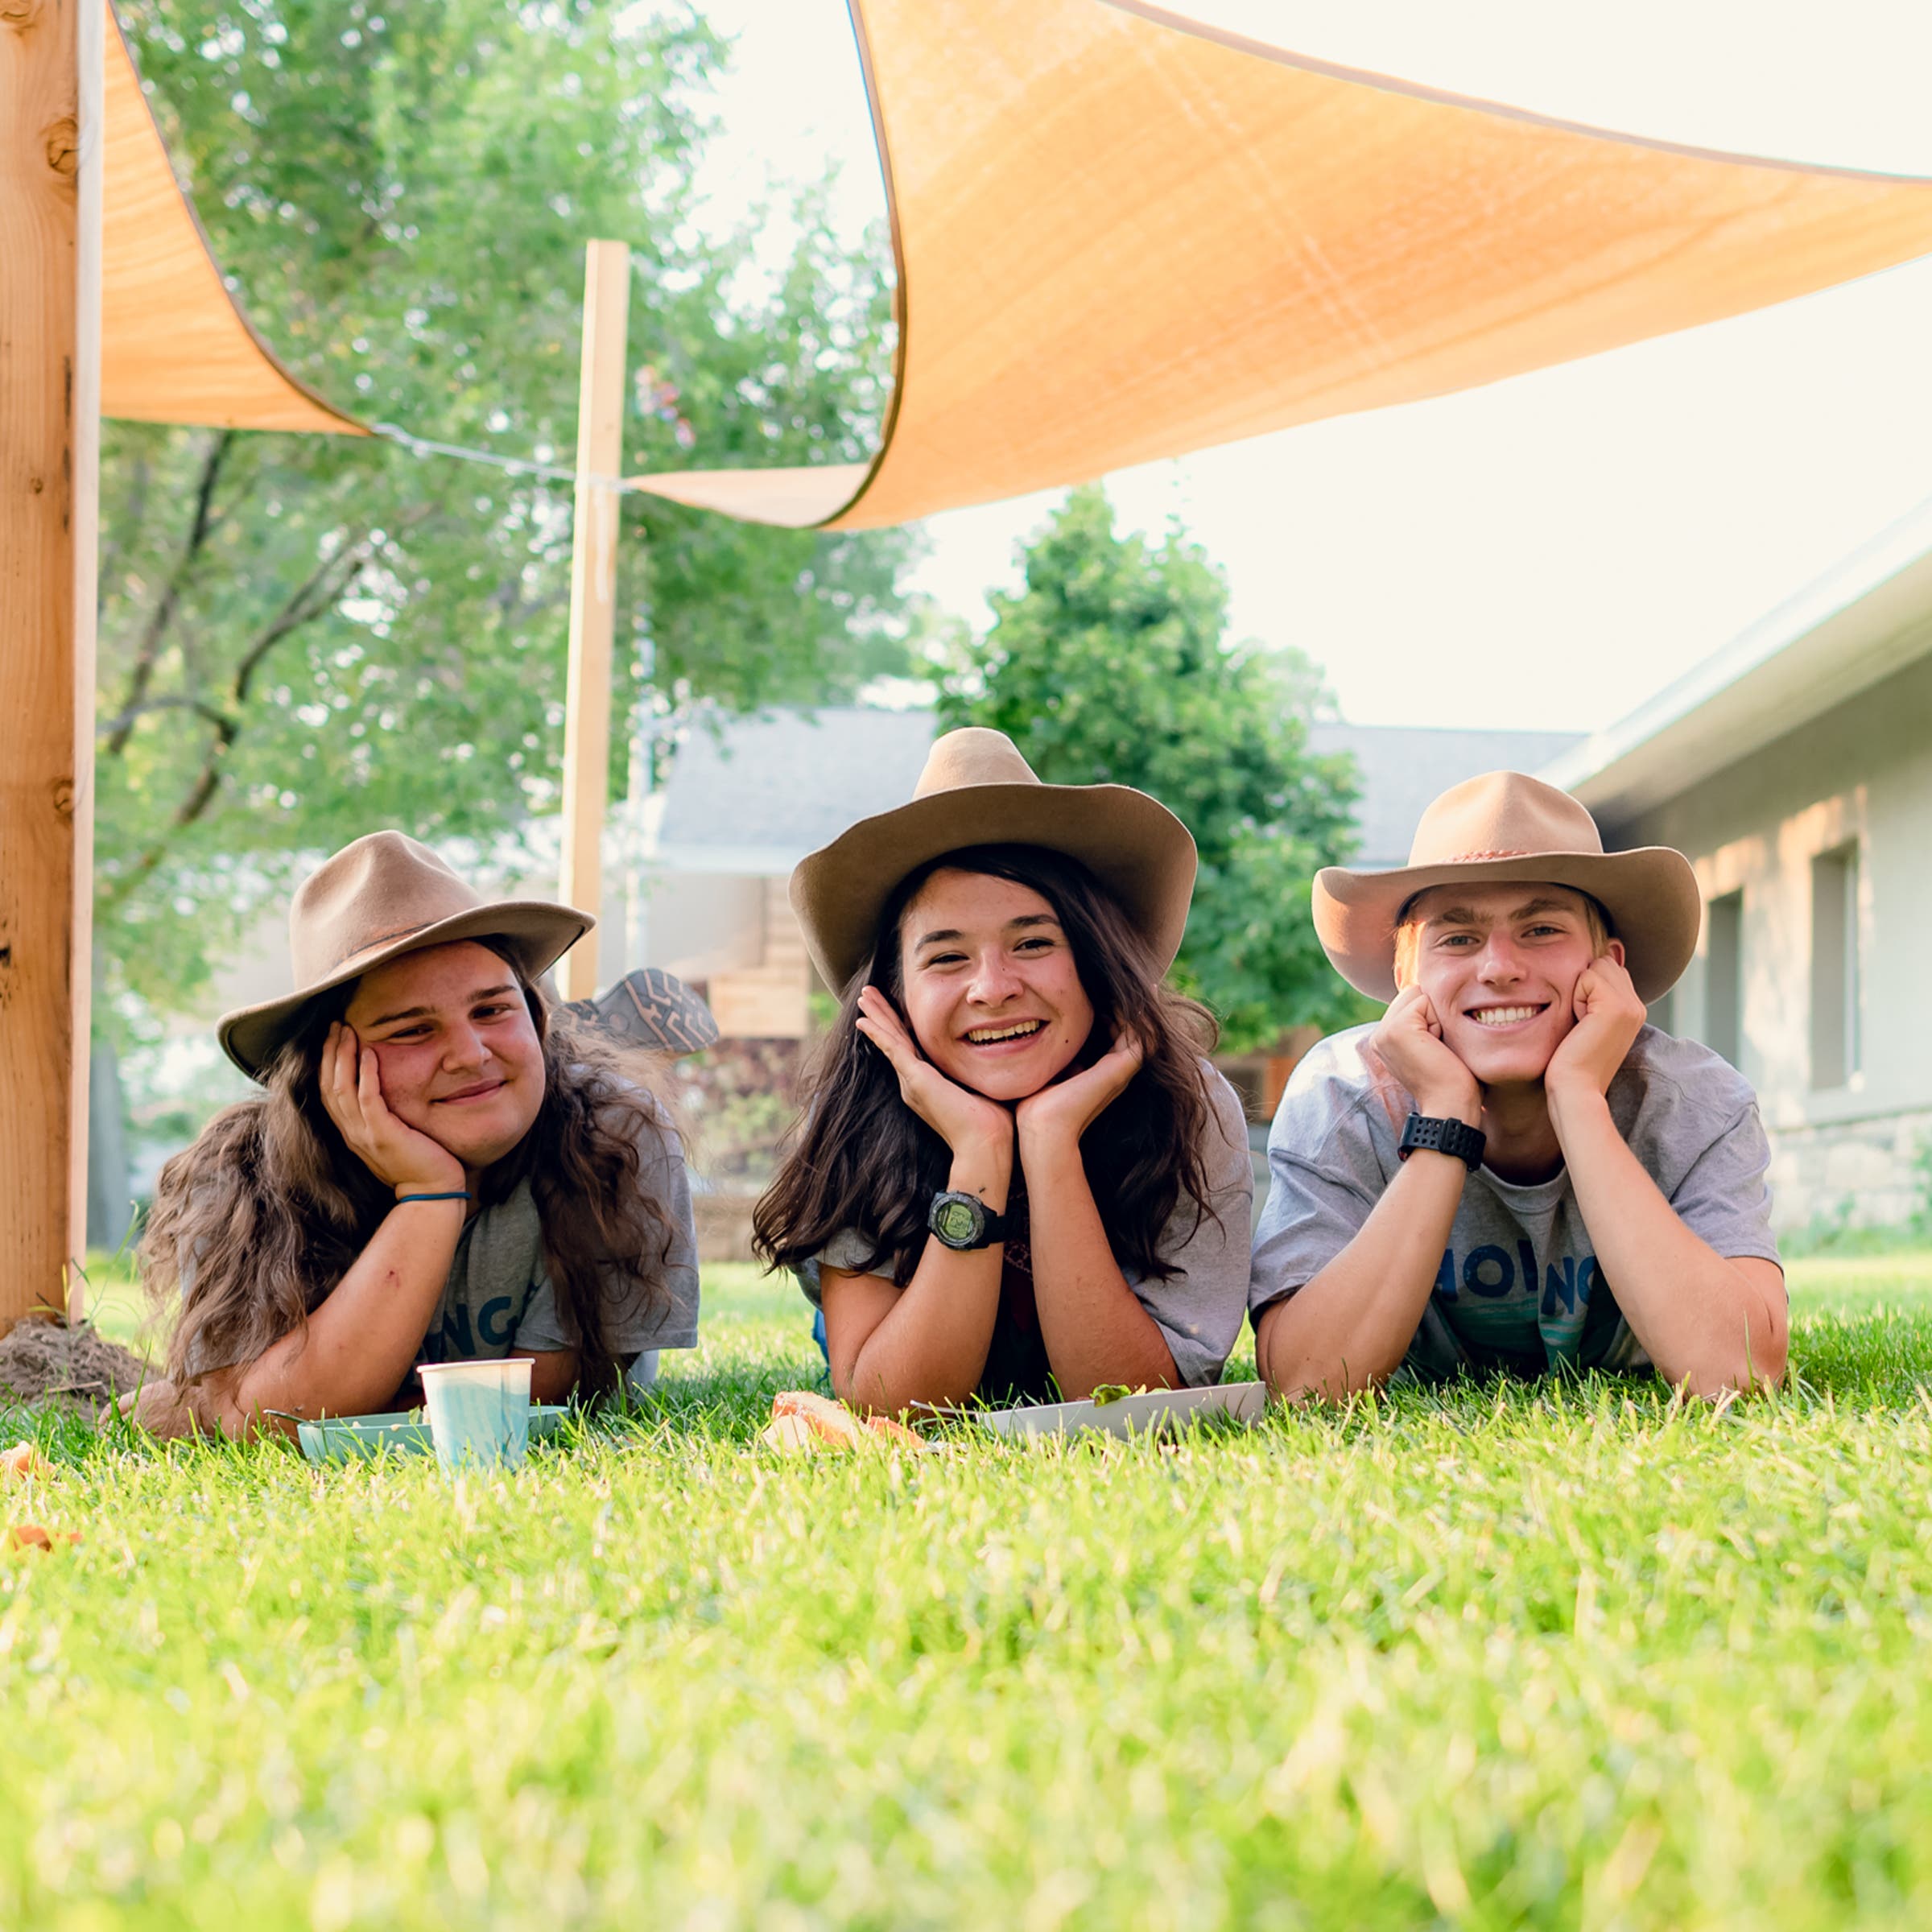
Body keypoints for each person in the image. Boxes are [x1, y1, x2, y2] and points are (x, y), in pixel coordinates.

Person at [131, 832, 700, 1439]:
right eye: (411, 1031)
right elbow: (257, 1417)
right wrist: (430, 1190)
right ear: (328, 1065)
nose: (470, 1053)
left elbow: (554, 1392)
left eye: (492, 1011)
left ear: (537, 1019)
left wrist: (314, 1393)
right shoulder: (240, 1174)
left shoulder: (615, 1137)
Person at [753, 728, 1253, 1415]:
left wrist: (1050, 1144)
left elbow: (1131, 1406)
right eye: (947, 957)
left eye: (1033, 942)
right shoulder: (856, 1114)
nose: (992, 988)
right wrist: (980, 1151)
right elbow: (896, 1408)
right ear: (896, 991)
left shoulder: (1187, 1104)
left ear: (1097, 959)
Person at [1251, 771, 1786, 1402]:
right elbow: (1306, 1385)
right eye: (1457, 938)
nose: (1500, 967)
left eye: (1542, 930)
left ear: (1608, 966)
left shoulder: (1694, 1103)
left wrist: (1579, 1099)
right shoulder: (1339, 1099)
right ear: (1406, 975)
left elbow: (1739, 1374)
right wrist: (1447, 1115)